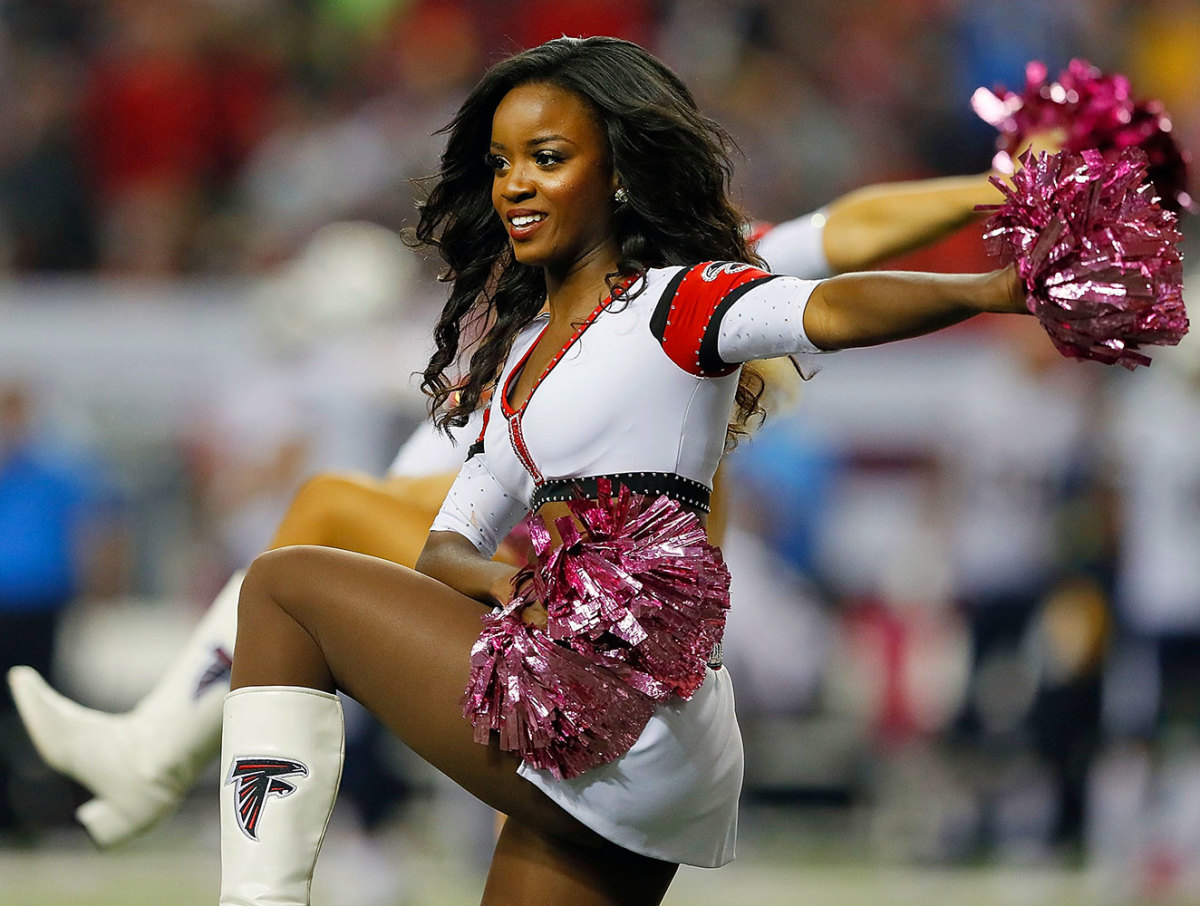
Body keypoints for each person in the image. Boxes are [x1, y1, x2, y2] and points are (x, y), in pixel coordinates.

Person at [5, 57, 1028, 855]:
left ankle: (160, 756)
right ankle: (167, 756)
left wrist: (995, 194)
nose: (517, 186)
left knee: (322, 528)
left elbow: (847, 237)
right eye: (507, 162)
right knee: (335, 548)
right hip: (555, 562)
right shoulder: (540, 314)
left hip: (594, 569)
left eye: (548, 155)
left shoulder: (695, 280)